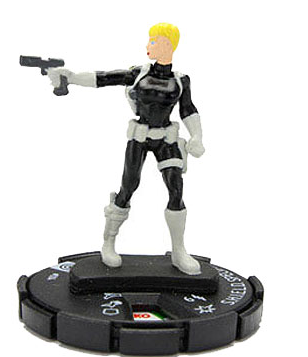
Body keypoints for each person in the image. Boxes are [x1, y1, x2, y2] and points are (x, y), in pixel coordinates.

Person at [48, 23, 205, 275]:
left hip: (167, 139)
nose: (148, 46)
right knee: (129, 186)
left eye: (152, 41)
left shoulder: (180, 80)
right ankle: (108, 242)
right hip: (140, 138)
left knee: (176, 189)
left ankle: (178, 251)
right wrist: (72, 77)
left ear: (166, 44)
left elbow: (188, 109)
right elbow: (105, 78)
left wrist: (196, 136)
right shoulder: (139, 74)